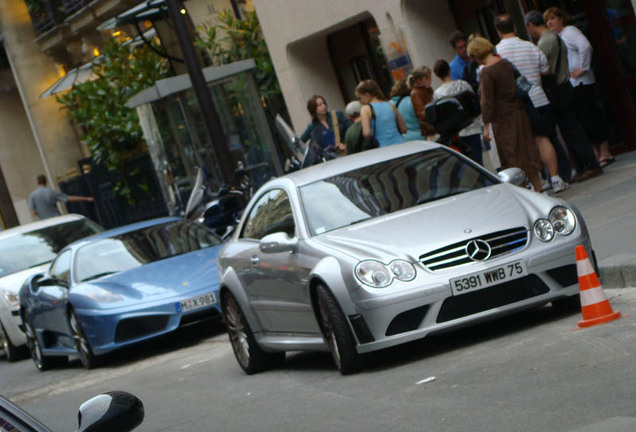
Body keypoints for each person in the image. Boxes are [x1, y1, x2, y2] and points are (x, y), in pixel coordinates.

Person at [524, 10, 603, 183]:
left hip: (558, 88)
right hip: (564, 86)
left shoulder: (545, 42)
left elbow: (541, 68)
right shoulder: (555, 37)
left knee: (571, 129)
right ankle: (583, 166)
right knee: (570, 129)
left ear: (530, 25)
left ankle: (589, 164)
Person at [495, 13, 570, 193]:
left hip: (518, 105)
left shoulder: (496, 53)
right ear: (514, 27)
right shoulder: (530, 47)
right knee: (543, 139)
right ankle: (555, 177)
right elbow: (545, 69)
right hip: (538, 97)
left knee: (525, 145)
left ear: (498, 31)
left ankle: (537, 182)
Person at [467, 35, 543, 192]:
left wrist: (486, 126)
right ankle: (539, 187)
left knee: (512, 156)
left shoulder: (486, 72)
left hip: (503, 118)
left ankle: (525, 192)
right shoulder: (505, 63)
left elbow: (487, 101)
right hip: (519, 112)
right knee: (527, 150)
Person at [544, 7, 616, 168]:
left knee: (591, 116)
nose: (550, 23)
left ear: (561, 19)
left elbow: (584, 46)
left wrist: (583, 67)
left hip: (582, 83)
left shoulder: (570, 32)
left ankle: (605, 152)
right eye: (547, 20)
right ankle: (596, 152)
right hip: (573, 85)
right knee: (583, 119)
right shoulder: (558, 37)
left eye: (553, 19)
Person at [433, 59, 484, 165]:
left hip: (456, 132)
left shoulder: (438, 94)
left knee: (465, 165)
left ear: (437, 75)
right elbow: (474, 101)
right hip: (472, 127)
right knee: (478, 161)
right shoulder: (463, 84)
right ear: (449, 70)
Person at [356, 79, 407, 147]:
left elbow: (367, 133)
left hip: (383, 147)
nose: (359, 101)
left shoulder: (366, 109)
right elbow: (404, 129)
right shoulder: (390, 105)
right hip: (400, 143)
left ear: (367, 94)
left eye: (360, 98)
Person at [28, 174, 94, 220]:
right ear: (46, 182)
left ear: (37, 182)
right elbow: (68, 198)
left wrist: (42, 212)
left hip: (45, 222)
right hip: (57, 219)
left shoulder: (33, 195)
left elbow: (33, 212)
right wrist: (86, 198)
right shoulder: (52, 192)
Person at [408, 67, 437, 138]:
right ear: (419, 80)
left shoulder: (428, 90)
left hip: (435, 126)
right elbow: (422, 114)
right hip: (430, 130)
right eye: (427, 78)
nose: (430, 80)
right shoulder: (416, 93)